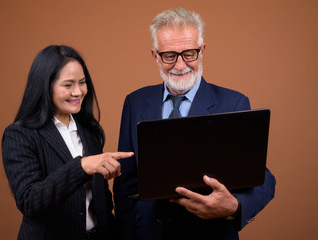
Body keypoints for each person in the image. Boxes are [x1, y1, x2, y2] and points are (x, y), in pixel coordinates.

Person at [113, 8, 276, 240]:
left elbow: (262, 178)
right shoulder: (135, 102)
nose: (180, 65)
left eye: (189, 53)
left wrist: (235, 207)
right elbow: (125, 185)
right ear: (155, 55)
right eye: (169, 55)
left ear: (203, 51)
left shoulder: (234, 103)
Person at [2, 45, 133, 240]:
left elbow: (102, 202)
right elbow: (30, 201)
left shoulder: (89, 130)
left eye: (82, 82)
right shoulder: (19, 134)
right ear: (45, 86)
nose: (78, 92)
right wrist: (81, 167)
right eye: (68, 85)